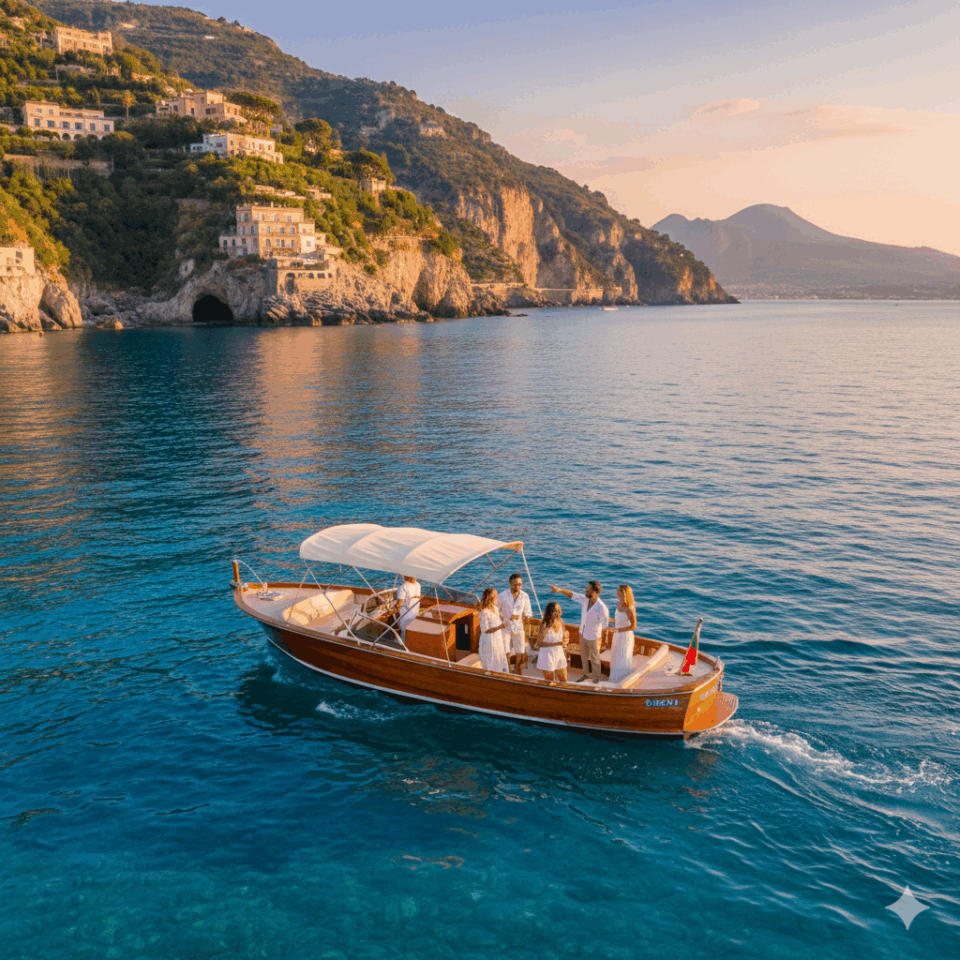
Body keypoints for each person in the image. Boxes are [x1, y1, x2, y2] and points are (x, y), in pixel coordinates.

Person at [549, 580, 609, 683]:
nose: (585, 590)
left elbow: (605, 626)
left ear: (594, 592)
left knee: (595, 659)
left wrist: (604, 640)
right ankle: (585, 675)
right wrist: (559, 590)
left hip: (594, 637)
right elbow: (572, 595)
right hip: (583, 633)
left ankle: (596, 678)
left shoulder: (602, 608)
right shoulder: (585, 599)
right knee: (584, 657)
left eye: (588, 589)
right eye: (586, 589)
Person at [498, 573, 533, 675]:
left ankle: (518, 670)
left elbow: (528, 613)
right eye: (515, 584)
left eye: (520, 584)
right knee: (505, 650)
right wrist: (503, 620)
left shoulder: (525, 596)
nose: (517, 586)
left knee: (520, 650)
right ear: (510, 583)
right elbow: (496, 610)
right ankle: (507, 669)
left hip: (518, 627)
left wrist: (525, 618)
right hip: (505, 627)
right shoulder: (502, 595)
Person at [609, 584, 638, 683]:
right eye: (617, 590)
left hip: (625, 636)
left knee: (623, 658)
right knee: (615, 657)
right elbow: (618, 620)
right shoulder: (619, 603)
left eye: (619, 591)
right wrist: (608, 620)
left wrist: (618, 630)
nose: (617, 592)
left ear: (624, 593)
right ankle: (613, 680)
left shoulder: (629, 608)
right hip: (617, 634)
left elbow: (633, 626)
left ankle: (621, 681)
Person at [478, 587, 509, 673]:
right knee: (491, 661)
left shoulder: (495, 609)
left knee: (499, 659)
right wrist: (500, 627)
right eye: (496, 596)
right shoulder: (484, 612)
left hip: (497, 638)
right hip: (489, 641)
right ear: (492, 598)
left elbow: (499, 619)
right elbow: (486, 630)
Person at [536, 601, 568, 684]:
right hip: (547, 655)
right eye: (554, 611)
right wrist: (557, 643)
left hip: (559, 653)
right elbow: (539, 643)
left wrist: (566, 640)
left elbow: (564, 636)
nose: (556, 613)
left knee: (564, 681)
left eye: (558, 610)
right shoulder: (544, 625)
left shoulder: (560, 621)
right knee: (550, 682)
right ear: (549, 612)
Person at [394, 574, 421, 644]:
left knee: (403, 629)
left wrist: (394, 608)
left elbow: (399, 604)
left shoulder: (403, 587)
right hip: (415, 612)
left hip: (406, 614)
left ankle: (402, 644)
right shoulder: (418, 585)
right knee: (409, 629)